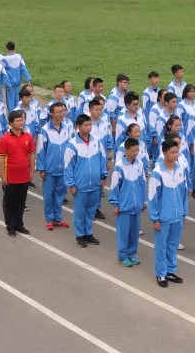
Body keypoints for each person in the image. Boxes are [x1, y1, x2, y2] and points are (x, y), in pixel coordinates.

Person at [64, 113, 107, 247]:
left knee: (91, 210)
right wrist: (71, 184)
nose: (89, 128)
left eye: (90, 125)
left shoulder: (96, 141)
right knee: (79, 211)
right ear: (78, 127)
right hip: (80, 185)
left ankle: (88, 233)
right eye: (86, 125)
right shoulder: (72, 145)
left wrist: (103, 176)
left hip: (94, 184)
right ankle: (80, 235)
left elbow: (102, 159)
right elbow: (68, 166)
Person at [149, 138, 187, 287]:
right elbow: (152, 198)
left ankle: (171, 270)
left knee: (172, 245)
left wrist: (184, 213)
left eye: (177, 152)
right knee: (161, 246)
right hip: (163, 218)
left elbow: (184, 193)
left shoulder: (180, 170)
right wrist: (155, 219)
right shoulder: (157, 173)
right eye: (172, 152)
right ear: (164, 153)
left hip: (177, 216)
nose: (175, 155)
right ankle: (161, 273)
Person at [109, 137, 148, 267]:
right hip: (124, 206)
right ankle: (123, 255)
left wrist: (143, 200)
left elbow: (143, 183)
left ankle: (132, 254)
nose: (136, 153)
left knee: (134, 232)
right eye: (133, 150)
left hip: (136, 205)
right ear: (126, 150)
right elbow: (114, 186)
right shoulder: (119, 166)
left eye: (137, 150)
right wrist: (115, 204)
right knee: (123, 232)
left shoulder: (140, 164)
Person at [0, 109, 36, 237]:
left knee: (21, 202)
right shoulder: (4, 139)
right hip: (10, 177)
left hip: (24, 176)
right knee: (9, 203)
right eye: (18, 120)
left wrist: (32, 170)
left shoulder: (28, 136)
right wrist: (3, 176)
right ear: (11, 123)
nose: (21, 122)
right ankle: (10, 226)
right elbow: (1, 159)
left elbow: (31, 155)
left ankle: (19, 224)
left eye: (22, 120)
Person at [37, 101, 71, 231]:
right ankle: (49, 219)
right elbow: (41, 150)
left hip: (63, 169)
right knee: (49, 195)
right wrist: (42, 168)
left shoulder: (67, 128)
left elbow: (70, 149)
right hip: (50, 170)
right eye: (58, 112)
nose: (62, 114)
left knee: (60, 195)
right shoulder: (45, 130)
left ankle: (58, 218)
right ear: (52, 114)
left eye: (63, 111)